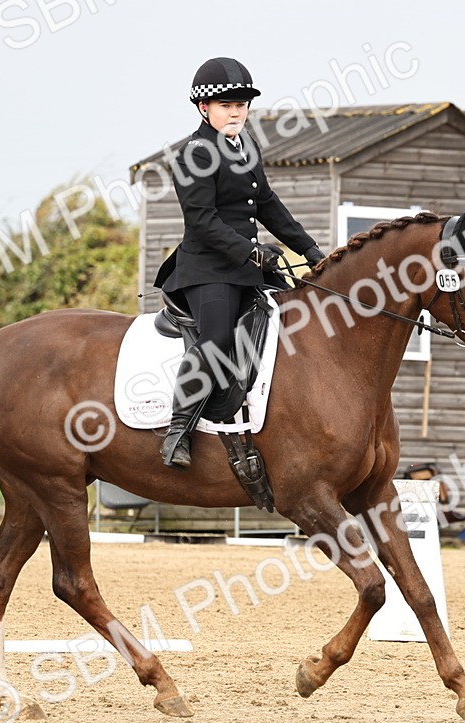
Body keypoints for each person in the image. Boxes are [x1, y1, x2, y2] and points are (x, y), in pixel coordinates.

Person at [155, 57, 325, 471]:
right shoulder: (193, 153)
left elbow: (267, 205)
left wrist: (313, 252)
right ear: (204, 109)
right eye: (227, 105)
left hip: (248, 268)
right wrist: (253, 253)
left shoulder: (246, 146)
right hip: (207, 271)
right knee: (215, 340)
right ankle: (178, 430)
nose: (236, 112)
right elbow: (203, 221)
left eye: (242, 105)